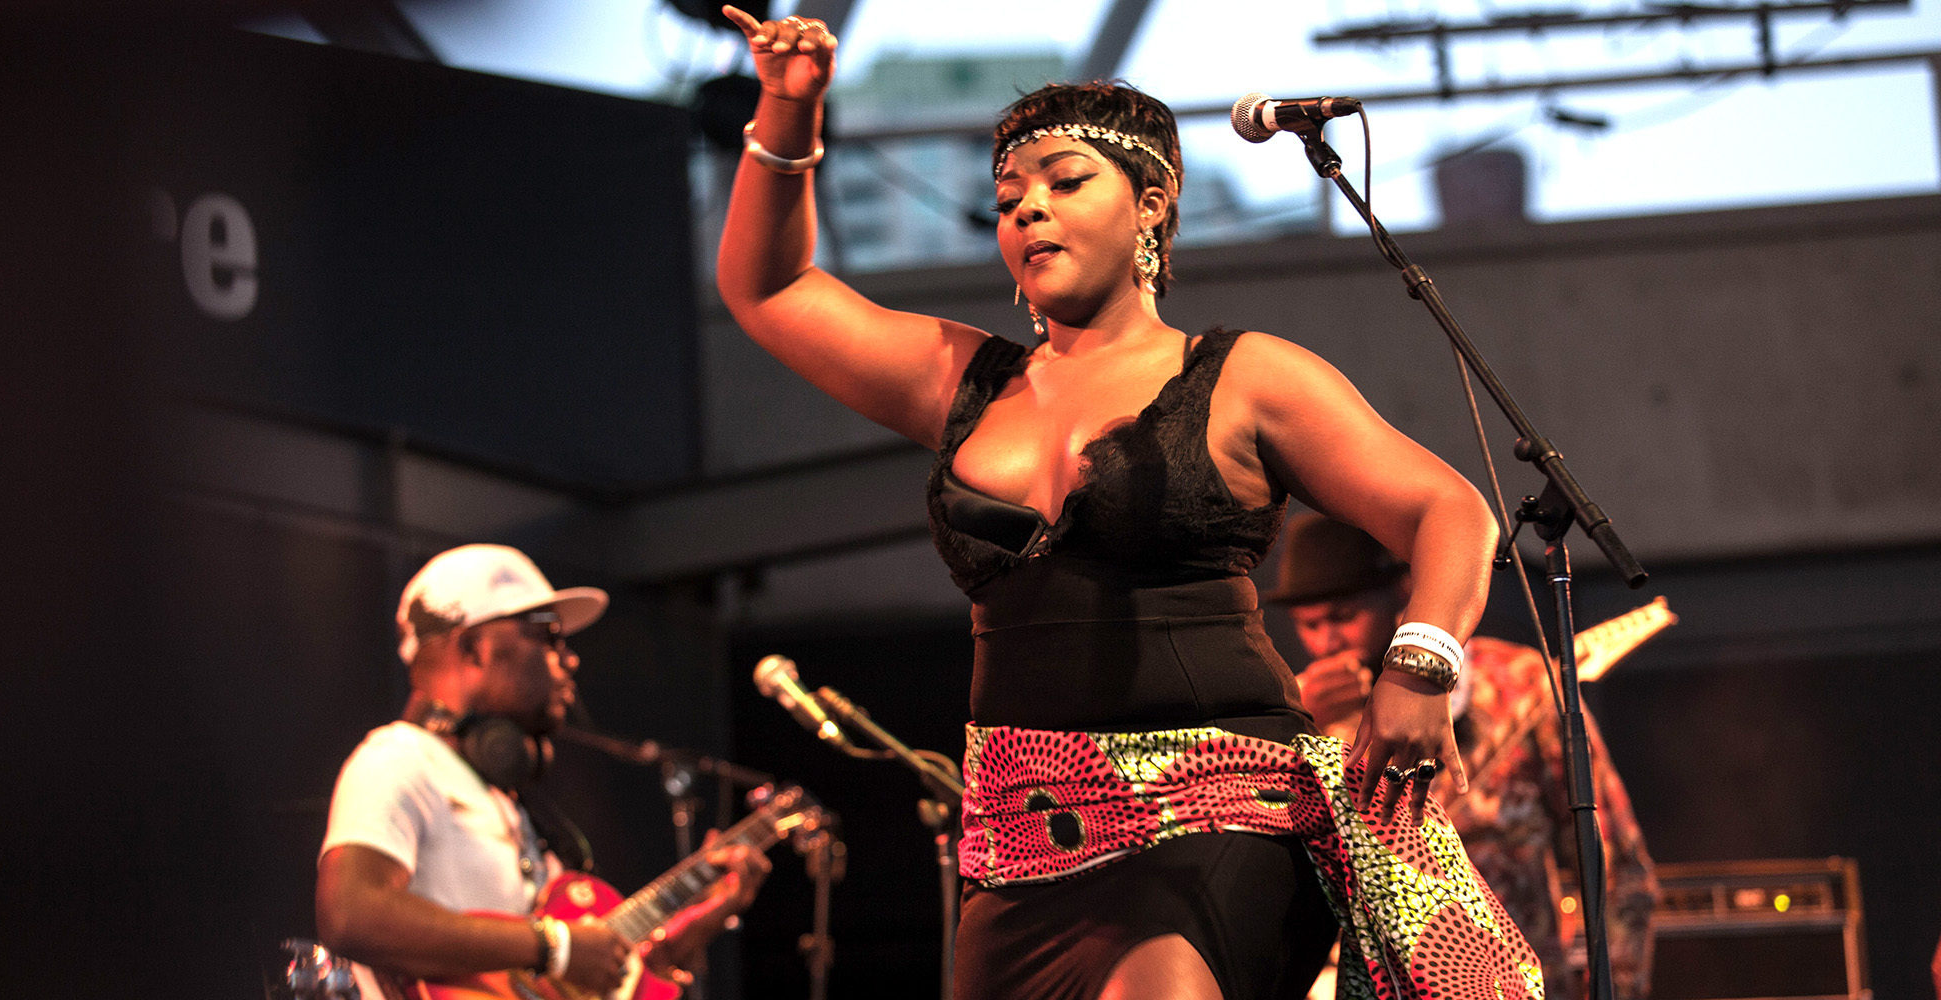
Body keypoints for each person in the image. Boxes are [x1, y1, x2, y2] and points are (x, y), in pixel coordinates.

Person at [714, 9, 1538, 999]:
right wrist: (787, 109)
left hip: (1221, 804)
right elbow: (769, 289)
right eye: (1009, 198)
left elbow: (1447, 509)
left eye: (1065, 183)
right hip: (1024, 839)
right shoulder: (964, 382)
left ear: (1150, 204)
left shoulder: (1243, 377)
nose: (1029, 210)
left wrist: (1419, 664)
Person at [315, 544, 769, 998]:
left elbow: (540, 980)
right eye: (548, 637)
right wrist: (555, 945)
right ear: (473, 649)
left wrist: (680, 937)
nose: (569, 659)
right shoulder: (398, 758)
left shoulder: (505, 799)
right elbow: (350, 914)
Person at [1270, 511, 1659, 1000]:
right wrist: (1300, 725)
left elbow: (1618, 864)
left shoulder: (1524, 685)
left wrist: (1619, 986)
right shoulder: (1307, 713)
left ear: (1402, 593)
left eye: (1344, 617)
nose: (1326, 642)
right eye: (1308, 625)